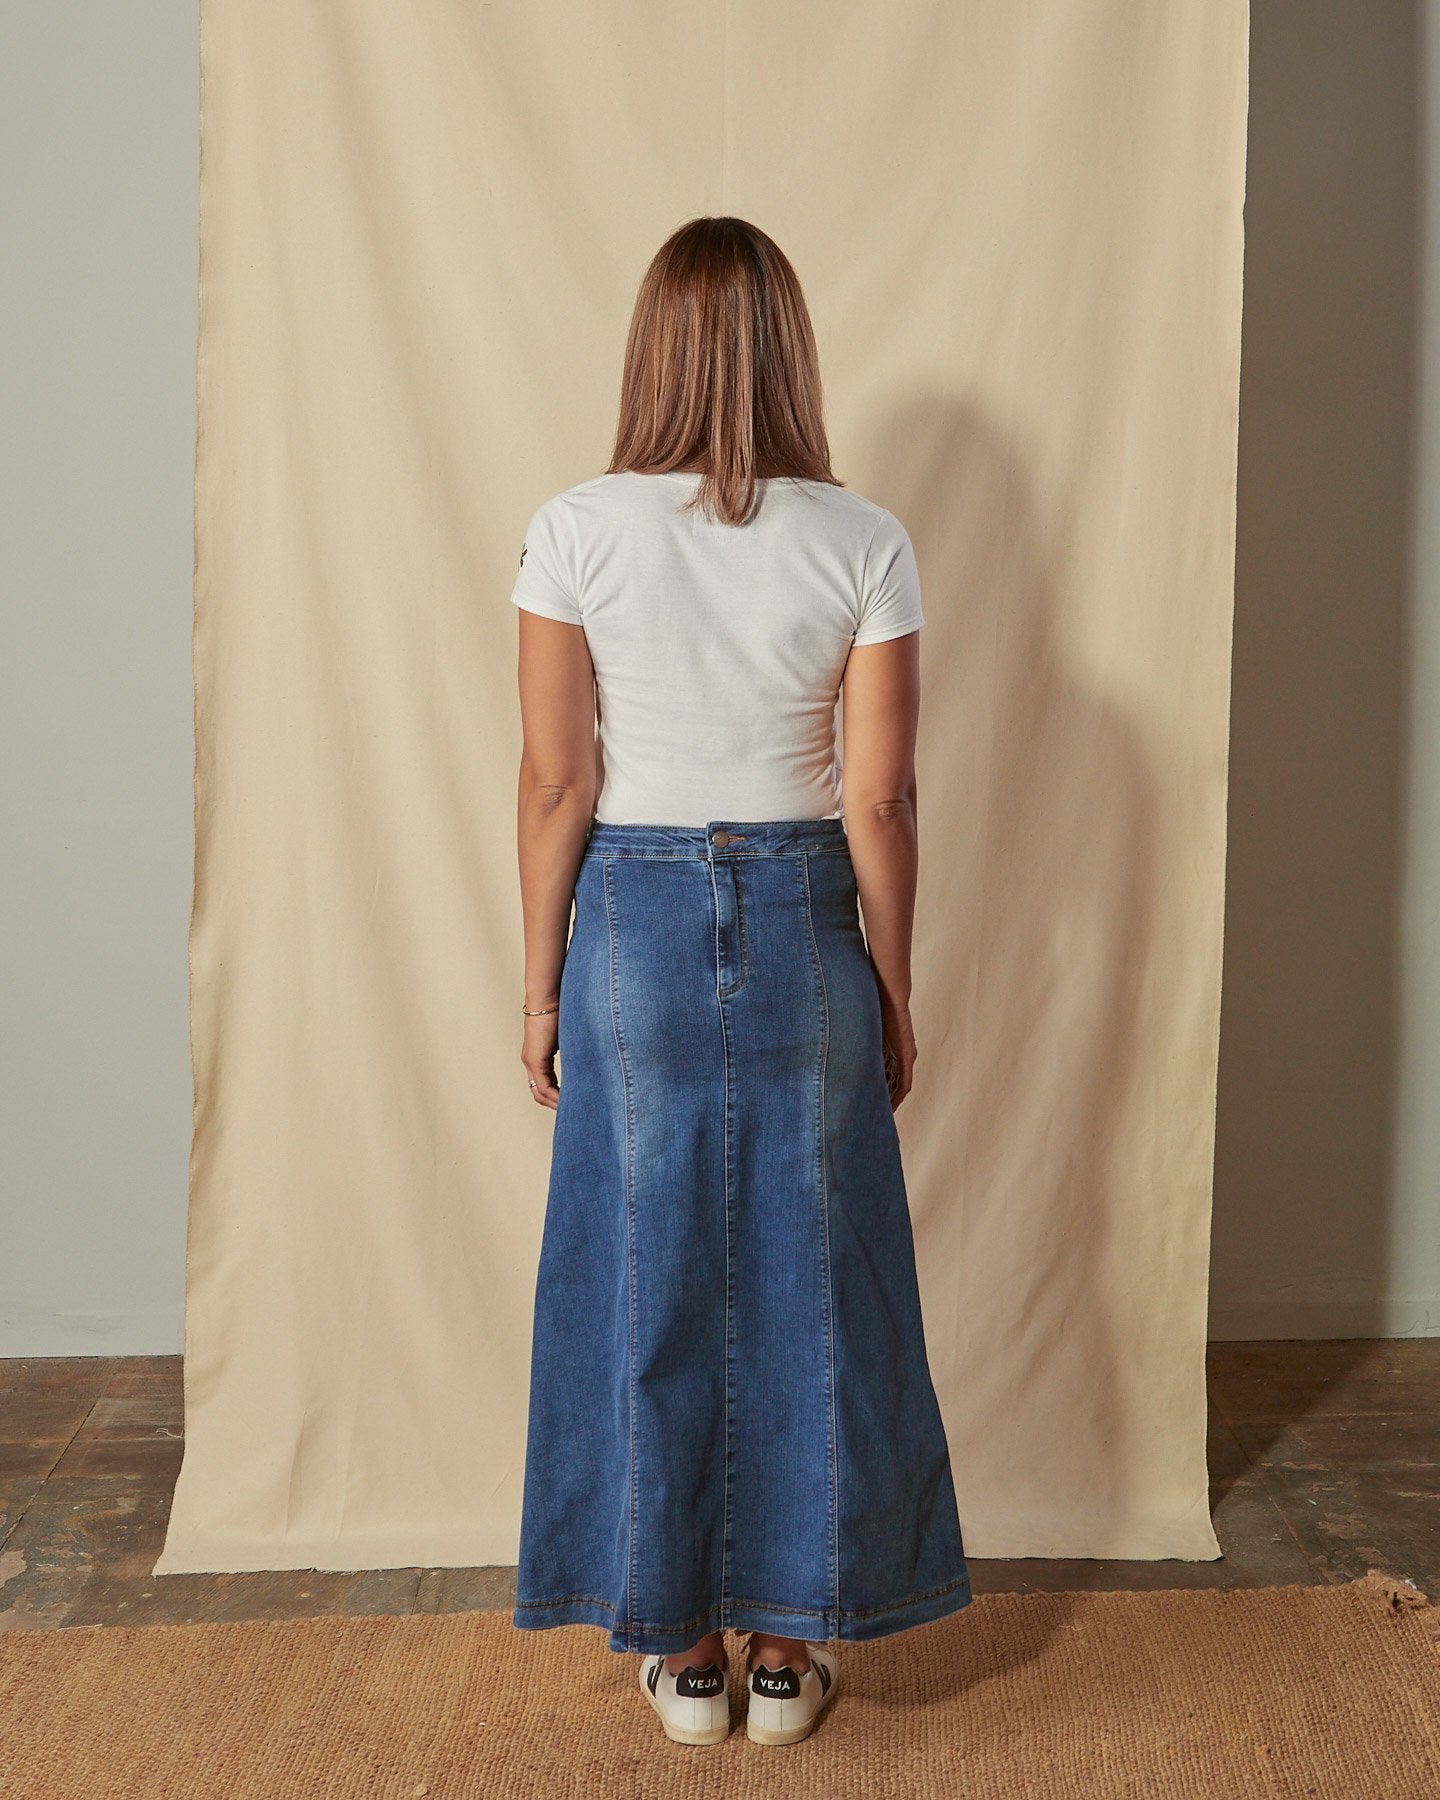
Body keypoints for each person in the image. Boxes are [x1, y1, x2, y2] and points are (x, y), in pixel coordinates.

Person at [510, 215, 971, 1749]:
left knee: (644, 1283)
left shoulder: (573, 529)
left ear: (651, 348)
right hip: (803, 922)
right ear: (792, 352)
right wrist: (892, 983)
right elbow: (880, 802)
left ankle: (683, 1657)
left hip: (630, 924)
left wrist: (536, 985)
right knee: (814, 1285)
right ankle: (789, 1652)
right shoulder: (865, 538)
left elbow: (554, 784)